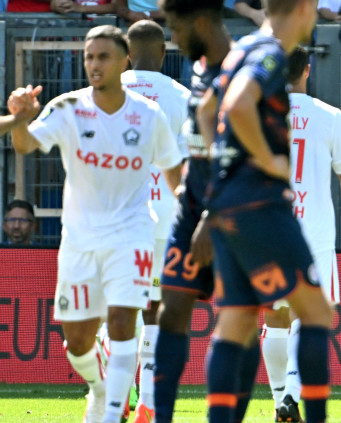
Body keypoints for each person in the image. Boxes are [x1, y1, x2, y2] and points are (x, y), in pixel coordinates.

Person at [8, 25, 183, 423]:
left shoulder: (148, 113)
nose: (94, 64)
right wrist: (20, 119)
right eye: (89, 57)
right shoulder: (69, 106)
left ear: (124, 61)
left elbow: (174, 170)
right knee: (77, 342)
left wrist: (197, 212)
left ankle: (112, 413)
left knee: (123, 320)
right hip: (80, 239)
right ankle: (102, 389)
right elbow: (24, 145)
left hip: (134, 232)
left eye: (103, 56)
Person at [196, 0, 331, 421]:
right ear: (304, 9)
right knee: (316, 313)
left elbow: (206, 111)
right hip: (261, 201)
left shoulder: (242, 49)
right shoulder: (272, 54)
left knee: (236, 321)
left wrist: (222, 167)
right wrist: (267, 160)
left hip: (228, 200)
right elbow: (238, 105)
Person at [260, 45, 341, 422]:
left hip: (268, 228)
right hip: (313, 233)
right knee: (307, 317)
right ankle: (291, 395)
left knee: (274, 316)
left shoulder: (256, 113)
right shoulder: (329, 116)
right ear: (307, 69)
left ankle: (279, 399)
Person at [153, 0, 232, 421]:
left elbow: (249, 153)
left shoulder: (246, 72)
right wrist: (188, 187)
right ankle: (161, 415)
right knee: (172, 309)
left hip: (234, 212)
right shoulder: (199, 71)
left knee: (236, 321)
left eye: (177, 28)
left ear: (200, 22)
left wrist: (213, 214)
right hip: (192, 208)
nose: (174, 38)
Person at [120, 19, 191, 422]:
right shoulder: (181, 96)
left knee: (117, 304)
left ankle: (116, 389)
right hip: (164, 215)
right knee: (155, 306)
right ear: (165, 53)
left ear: (127, 54)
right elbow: (190, 163)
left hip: (116, 215)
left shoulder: (107, 91)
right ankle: (147, 397)